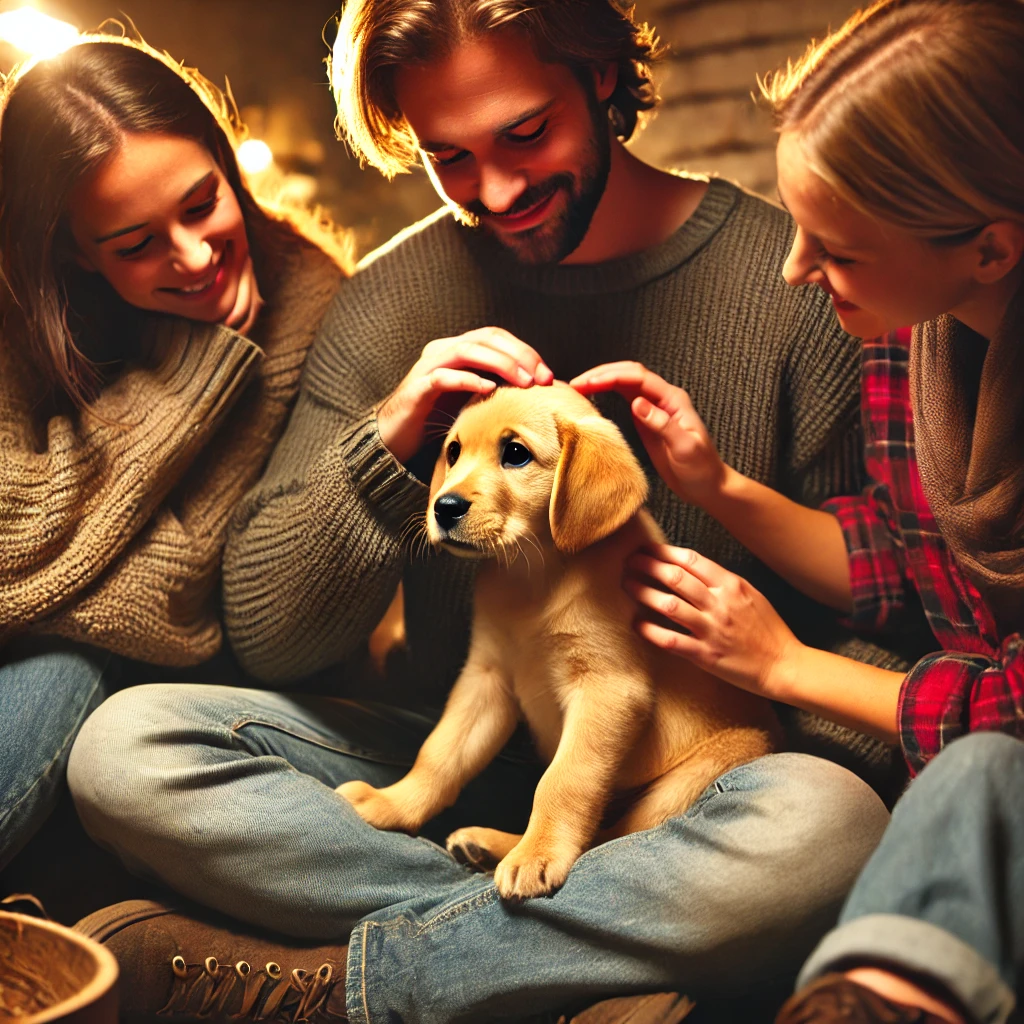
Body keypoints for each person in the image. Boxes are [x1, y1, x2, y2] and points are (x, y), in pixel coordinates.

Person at [66, 2, 903, 1021]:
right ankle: (557, 956)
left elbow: (889, 625)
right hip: (442, 756)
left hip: (680, 789)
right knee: (125, 749)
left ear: (600, 76)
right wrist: (390, 439)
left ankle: (362, 983)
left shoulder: (795, 289)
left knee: (826, 821)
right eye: (448, 158)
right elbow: (273, 639)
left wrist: (756, 695)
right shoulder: (388, 299)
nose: (495, 191)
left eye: (524, 134)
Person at [570, 1, 1023, 1021]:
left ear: (990, 249)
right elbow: (900, 559)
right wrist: (715, 486)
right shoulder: (914, 337)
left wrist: (783, 666)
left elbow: (1010, 718)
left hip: (985, 770)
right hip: (960, 779)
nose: (794, 271)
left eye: (838, 248)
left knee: (969, 777)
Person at [0, 33, 348, 872]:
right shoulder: (14, 300)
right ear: (74, 251)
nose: (194, 256)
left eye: (202, 205)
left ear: (228, 167)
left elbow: (191, 592)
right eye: (135, 244)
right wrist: (186, 380)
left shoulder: (308, 304)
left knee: (67, 653)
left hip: (159, 690)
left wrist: (51, 581)